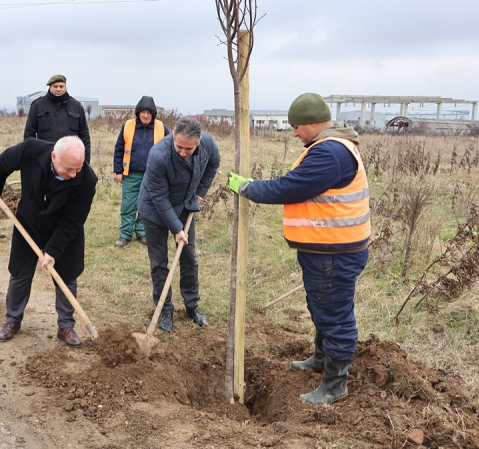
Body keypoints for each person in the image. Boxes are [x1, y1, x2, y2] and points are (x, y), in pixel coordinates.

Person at [228, 92, 370, 404]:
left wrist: (248, 187)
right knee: (322, 307)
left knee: (335, 316)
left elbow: (290, 187)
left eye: (297, 127)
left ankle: (335, 385)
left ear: (312, 124)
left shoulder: (329, 153)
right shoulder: (332, 146)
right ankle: (321, 359)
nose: (293, 133)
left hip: (334, 252)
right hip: (328, 250)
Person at [0, 135, 97, 348]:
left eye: (78, 168)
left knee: (67, 276)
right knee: (19, 273)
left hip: (63, 229)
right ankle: (12, 320)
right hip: (29, 220)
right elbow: (3, 162)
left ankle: (66, 326)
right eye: (69, 169)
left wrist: (53, 250)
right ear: (54, 156)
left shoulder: (87, 180)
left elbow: (73, 220)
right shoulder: (31, 151)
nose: (74, 174)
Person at [137, 117, 220, 332]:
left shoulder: (208, 145)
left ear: (199, 142)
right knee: (159, 262)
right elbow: (159, 196)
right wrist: (176, 229)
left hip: (184, 206)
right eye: (179, 147)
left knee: (189, 258)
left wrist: (201, 191)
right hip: (155, 210)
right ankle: (165, 309)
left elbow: (214, 163)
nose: (183, 152)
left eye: (189, 149)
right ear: (173, 138)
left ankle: (192, 306)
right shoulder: (159, 155)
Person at [112, 96, 169, 248]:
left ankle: (142, 233)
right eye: (143, 112)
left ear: (153, 114)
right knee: (128, 205)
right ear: (138, 113)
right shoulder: (128, 126)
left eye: (149, 113)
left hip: (153, 175)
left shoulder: (162, 128)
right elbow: (119, 149)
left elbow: (170, 151)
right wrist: (118, 171)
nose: (145, 115)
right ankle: (125, 235)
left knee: (148, 205)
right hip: (131, 174)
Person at [24, 74, 92, 163]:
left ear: (66, 86)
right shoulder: (38, 105)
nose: (58, 89)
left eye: (61, 86)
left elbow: (84, 135)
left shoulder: (76, 106)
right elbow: (29, 134)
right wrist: (30, 158)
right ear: (50, 87)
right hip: (44, 156)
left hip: (70, 156)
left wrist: (85, 160)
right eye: (55, 86)